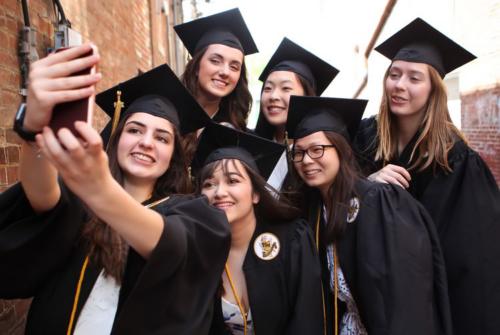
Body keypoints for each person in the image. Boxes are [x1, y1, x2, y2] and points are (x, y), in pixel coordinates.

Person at [0, 44, 230, 334]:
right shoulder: (80, 202)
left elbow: (174, 246)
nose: (146, 142)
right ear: (117, 138)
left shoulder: (194, 213)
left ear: (174, 155)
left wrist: (100, 190)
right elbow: (42, 193)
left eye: (162, 138)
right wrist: (34, 131)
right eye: (134, 130)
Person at [354, 18, 500, 335]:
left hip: (427, 304)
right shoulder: (365, 139)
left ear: (434, 88)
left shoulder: (456, 160)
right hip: (368, 296)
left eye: (414, 78)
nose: (400, 85)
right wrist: (367, 184)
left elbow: (474, 262)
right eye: (394, 75)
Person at [286, 95, 452, 335]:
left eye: (317, 149)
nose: (306, 160)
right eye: (298, 153)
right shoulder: (316, 210)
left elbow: (407, 292)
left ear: (341, 149)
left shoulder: (379, 202)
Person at [191, 122, 324, 335]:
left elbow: (307, 320)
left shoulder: (292, 239)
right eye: (209, 184)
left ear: (255, 194)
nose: (219, 192)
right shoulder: (200, 251)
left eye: (232, 181)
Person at [175, 8, 257, 130]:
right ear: (196, 66)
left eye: (234, 67)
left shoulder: (237, 134)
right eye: (215, 61)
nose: (225, 72)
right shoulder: (169, 116)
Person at [255, 37, 339, 143]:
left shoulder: (322, 149)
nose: (273, 96)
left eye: (286, 88)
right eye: (268, 88)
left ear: (306, 96)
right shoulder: (248, 148)